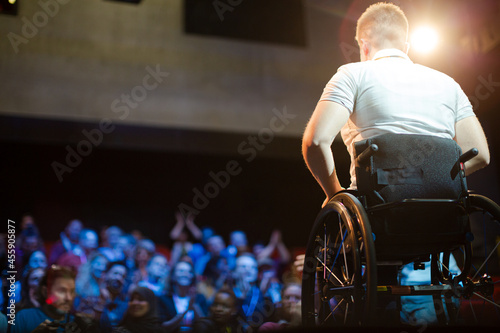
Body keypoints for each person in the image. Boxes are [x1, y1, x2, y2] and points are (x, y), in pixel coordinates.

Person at [302, 2, 490, 208]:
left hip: (376, 208)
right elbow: (479, 153)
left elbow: (316, 141)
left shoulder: (352, 74)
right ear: (406, 48)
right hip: (443, 207)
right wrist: (436, 176)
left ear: (364, 46)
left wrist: (335, 194)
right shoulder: (449, 84)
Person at [11, 265, 97, 333]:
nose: (69, 298)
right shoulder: (25, 317)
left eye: (72, 292)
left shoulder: (77, 324)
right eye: (62, 291)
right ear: (45, 291)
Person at [158, 258, 208, 332]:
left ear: (192, 276)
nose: (185, 274)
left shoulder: (200, 298)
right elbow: (163, 327)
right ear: (173, 276)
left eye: (189, 271)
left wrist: (194, 305)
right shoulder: (164, 299)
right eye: (181, 271)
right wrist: (186, 310)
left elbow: (205, 326)